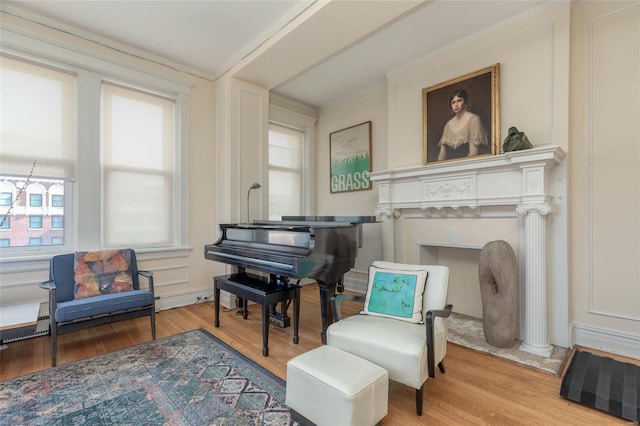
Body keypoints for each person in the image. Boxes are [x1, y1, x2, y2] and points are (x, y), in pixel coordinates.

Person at [437, 89, 488, 161]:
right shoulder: (448, 125)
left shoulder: (473, 119)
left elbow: (473, 153)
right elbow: (442, 154)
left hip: (467, 167)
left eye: (459, 100)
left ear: (465, 101)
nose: (456, 105)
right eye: (453, 102)